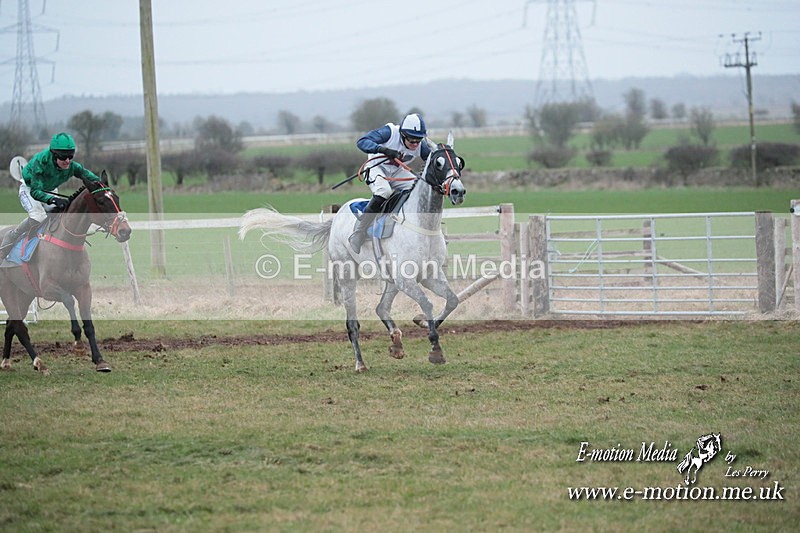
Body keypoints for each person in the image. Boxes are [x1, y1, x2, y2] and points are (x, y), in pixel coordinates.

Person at [0, 132, 102, 259]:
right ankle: (13, 236)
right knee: (39, 217)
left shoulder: (72, 166)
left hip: (50, 189)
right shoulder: (40, 162)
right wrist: (53, 199)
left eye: (70, 156)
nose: (68, 161)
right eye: (64, 157)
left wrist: (103, 185)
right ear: (54, 155)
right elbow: (35, 192)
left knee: (58, 216)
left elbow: (88, 175)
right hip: (30, 189)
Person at [349, 113, 432, 253]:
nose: (415, 145)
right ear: (403, 135)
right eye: (412, 141)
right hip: (376, 167)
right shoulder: (389, 132)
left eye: (418, 141)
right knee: (384, 191)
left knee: (417, 189)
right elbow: (362, 141)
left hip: (397, 171)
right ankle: (358, 231)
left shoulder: (420, 145)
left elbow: (433, 160)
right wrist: (383, 149)